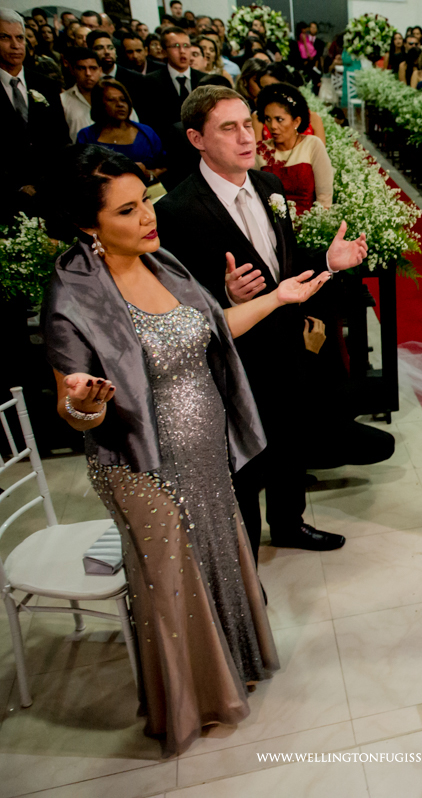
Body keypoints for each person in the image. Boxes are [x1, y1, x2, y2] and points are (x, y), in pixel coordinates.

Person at [41, 145, 332, 754]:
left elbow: (212, 327)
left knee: (218, 559)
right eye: (128, 210)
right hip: (142, 465)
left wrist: (278, 299)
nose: (148, 215)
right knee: (171, 584)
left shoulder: (162, 261)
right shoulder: (73, 299)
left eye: (145, 198)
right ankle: (187, 703)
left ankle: (231, 666)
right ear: (88, 225)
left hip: (204, 451)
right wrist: (82, 398)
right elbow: (75, 408)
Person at [154, 85, 368, 557]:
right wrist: (225, 294)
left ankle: (289, 523)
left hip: (286, 344)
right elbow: (175, 304)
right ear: (196, 139)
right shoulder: (174, 211)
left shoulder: (270, 187)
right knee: (244, 465)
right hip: (233, 359)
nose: (246, 136)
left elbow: (281, 268)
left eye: (247, 124)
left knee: (290, 441)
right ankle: (245, 563)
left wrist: (328, 261)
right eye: (227, 128)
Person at [0, 8, 68, 220]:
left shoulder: (45, 84)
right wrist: (16, 188)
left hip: (50, 194)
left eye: (20, 37)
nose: (15, 45)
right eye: (5, 37)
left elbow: (61, 138)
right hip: (5, 199)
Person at [255, 82, 332, 214]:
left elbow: (324, 197)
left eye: (279, 119)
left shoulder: (312, 145)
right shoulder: (261, 150)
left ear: (296, 121)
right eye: (268, 119)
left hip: (308, 224)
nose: (272, 126)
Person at [76, 78, 167, 183]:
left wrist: (149, 175)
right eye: (111, 100)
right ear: (99, 104)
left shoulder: (146, 132)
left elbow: (165, 167)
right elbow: (82, 176)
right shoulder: (86, 136)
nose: (120, 104)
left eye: (123, 100)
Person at [143, 26, 205, 140]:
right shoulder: (149, 82)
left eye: (186, 46)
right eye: (176, 46)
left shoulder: (204, 79)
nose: (182, 51)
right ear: (164, 51)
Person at [61, 47, 108, 140]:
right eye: (81, 68)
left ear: (100, 71)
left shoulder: (116, 98)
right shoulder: (62, 101)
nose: (88, 73)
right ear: (72, 71)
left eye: (93, 68)